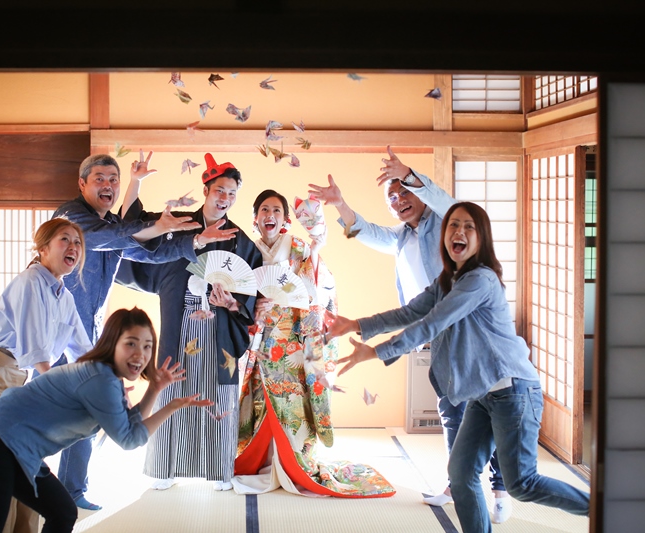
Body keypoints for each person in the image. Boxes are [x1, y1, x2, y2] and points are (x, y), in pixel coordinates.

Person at [328, 202, 590, 533]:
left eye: (468, 226)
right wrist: (355, 324)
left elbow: (432, 323)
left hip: (513, 391)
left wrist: (377, 352)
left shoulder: (480, 280)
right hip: (482, 396)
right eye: (453, 225)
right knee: (461, 474)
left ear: (482, 238)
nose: (459, 232)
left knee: (522, 483)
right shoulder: (448, 280)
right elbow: (410, 312)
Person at [308, 146, 510, 522]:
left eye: (405, 192)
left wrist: (408, 173)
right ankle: (457, 482)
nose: (399, 200)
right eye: (393, 197)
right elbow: (367, 232)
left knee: (485, 409)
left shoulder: (445, 223)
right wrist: (340, 204)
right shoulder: (401, 237)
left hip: (472, 335)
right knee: (452, 412)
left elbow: (445, 201)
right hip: (437, 336)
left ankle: (500, 489)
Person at [51, 151, 235, 510]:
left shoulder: (112, 226)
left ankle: (71, 491)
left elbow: (146, 252)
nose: (108, 185)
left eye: (114, 180)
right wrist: (156, 224)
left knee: (85, 415)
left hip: (87, 336)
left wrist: (195, 241)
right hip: (53, 336)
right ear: (82, 184)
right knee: (49, 417)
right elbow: (111, 236)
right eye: (100, 179)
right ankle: (28, 483)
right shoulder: (72, 218)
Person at [0, 307, 212, 533]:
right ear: (112, 343)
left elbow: (129, 424)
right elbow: (129, 439)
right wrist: (172, 406)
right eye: (131, 344)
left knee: (62, 512)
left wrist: (154, 389)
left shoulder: (105, 376)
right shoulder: (101, 379)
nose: (141, 354)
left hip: (17, 449)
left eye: (148, 346)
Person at [233, 189, 395, 498]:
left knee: (291, 402)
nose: (270, 215)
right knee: (259, 399)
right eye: (264, 209)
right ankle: (262, 462)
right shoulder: (247, 252)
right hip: (260, 339)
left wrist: (316, 247)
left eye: (276, 210)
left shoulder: (297, 248)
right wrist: (252, 307)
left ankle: (293, 465)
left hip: (293, 341)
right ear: (255, 218)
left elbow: (317, 286)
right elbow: (236, 295)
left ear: (285, 219)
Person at [116, 153, 262, 491]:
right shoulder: (180, 225)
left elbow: (251, 291)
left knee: (216, 394)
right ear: (206, 190)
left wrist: (231, 303)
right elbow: (134, 231)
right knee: (171, 386)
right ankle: (164, 467)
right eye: (220, 190)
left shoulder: (240, 240)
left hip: (218, 327)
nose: (225, 198)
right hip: (180, 320)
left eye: (231, 194)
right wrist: (135, 182)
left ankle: (219, 469)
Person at [0, 217, 94, 533]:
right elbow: (35, 348)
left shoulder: (64, 296)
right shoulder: (30, 281)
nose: (73, 247)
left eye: (77, 242)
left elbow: (83, 349)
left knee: (26, 467)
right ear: (43, 248)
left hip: (23, 381)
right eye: (65, 239)